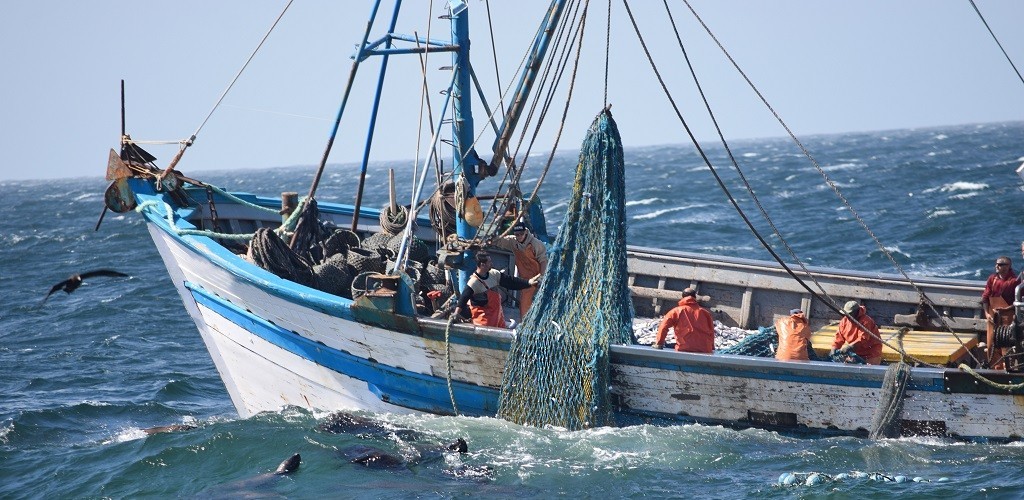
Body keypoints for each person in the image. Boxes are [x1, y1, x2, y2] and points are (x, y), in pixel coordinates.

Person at [454, 251, 539, 328]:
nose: (491, 263)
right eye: (489, 262)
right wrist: (456, 314)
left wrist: (528, 282)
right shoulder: (473, 283)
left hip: (498, 319)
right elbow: (462, 300)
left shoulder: (494, 274)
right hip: (483, 323)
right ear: (482, 265)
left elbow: (511, 282)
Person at [491, 221, 548, 318]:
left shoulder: (536, 244)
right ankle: (525, 323)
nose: (519, 236)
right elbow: (499, 242)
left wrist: (541, 277)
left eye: (521, 234)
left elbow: (544, 261)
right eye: (517, 235)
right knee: (525, 306)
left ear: (526, 232)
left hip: (537, 278)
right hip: (525, 281)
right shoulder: (513, 242)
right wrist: (491, 238)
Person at [651, 288, 715, 354]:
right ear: (695, 297)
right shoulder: (706, 313)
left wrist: (659, 344)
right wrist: (712, 347)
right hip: (705, 349)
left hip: (684, 349)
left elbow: (663, 327)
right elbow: (711, 331)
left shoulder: (675, 311)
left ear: (682, 297)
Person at [983, 256, 1019, 369]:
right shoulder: (992, 279)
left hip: (1007, 317)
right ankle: (995, 369)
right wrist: (987, 313)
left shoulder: (1015, 281)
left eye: (1000, 264)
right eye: (996, 264)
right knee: (991, 345)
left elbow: (1019, 302)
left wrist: (1006, 309)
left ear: (1008, 266)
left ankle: (1007, 368)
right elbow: (985, 298)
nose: (997, 266)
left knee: (1006, 346)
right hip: (992, 317)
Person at [832, 300, 883, 365]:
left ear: (856, 312)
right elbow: (839, 337)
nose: (847, 316)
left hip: (871, 353)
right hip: (855, 352)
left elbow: (863, 339)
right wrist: (834, 348)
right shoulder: (844, 321)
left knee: (870, 369)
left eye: (850, 314)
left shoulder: (866, 321)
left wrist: (849, 347)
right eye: (846, 314)